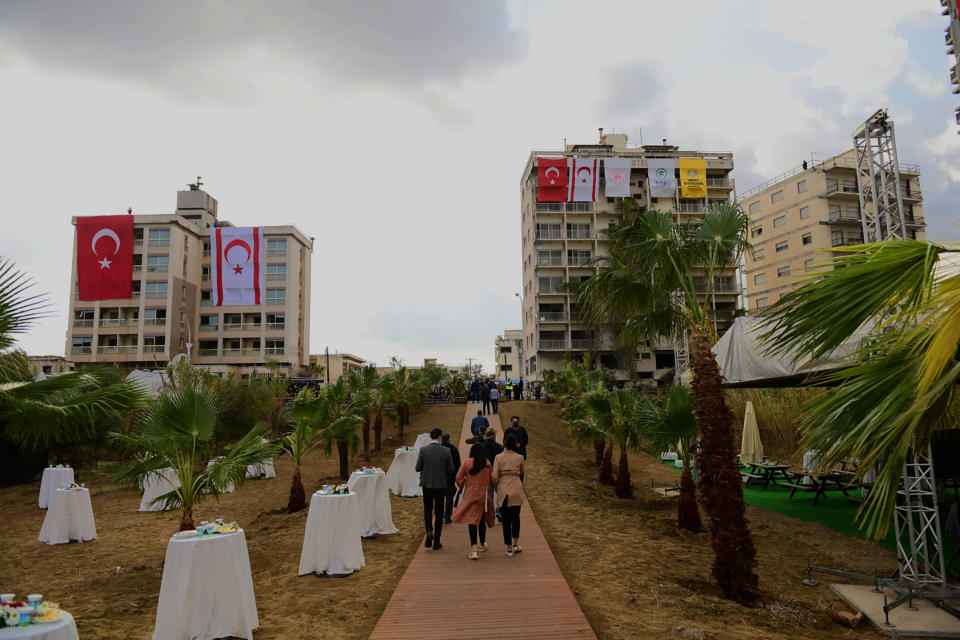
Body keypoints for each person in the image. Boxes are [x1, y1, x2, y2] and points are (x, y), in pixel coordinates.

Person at [452, 443, 494, 559]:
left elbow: (458, 478)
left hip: (471, 494)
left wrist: (464, 485)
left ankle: (474, 549)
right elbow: (490, 480)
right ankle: (483, 543)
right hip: (484, 496)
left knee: (472, 520)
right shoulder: (488, 463)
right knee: (481, 520)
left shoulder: (467, 462)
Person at [415, 427, 454, 550]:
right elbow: (451, 469)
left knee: (427, 510)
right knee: (439, 512)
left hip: (427, 484)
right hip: (441, 485)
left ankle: (429, 531)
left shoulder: (423, 450)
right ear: (440, 437)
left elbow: (417, 468)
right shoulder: (446, 451)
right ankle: (437, 540)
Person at [492, 433, 525, 556]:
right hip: (516, 487)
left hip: (503, 487)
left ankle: (509, 548)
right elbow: (522, 471)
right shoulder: (520, 457)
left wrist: (497, 486)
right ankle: (516, 543)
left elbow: (494, 476)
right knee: (516, 517)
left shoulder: (498, 457)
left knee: (506, 520)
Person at [441, 432, 461, 524]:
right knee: (449, 497)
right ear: (449, 439)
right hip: (450, 476)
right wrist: (456, 475)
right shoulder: (453, 448)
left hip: (439, 476)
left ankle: (440, 514)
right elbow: (458, 463)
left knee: (439, 497)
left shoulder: (439, 448)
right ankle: (447, 516)